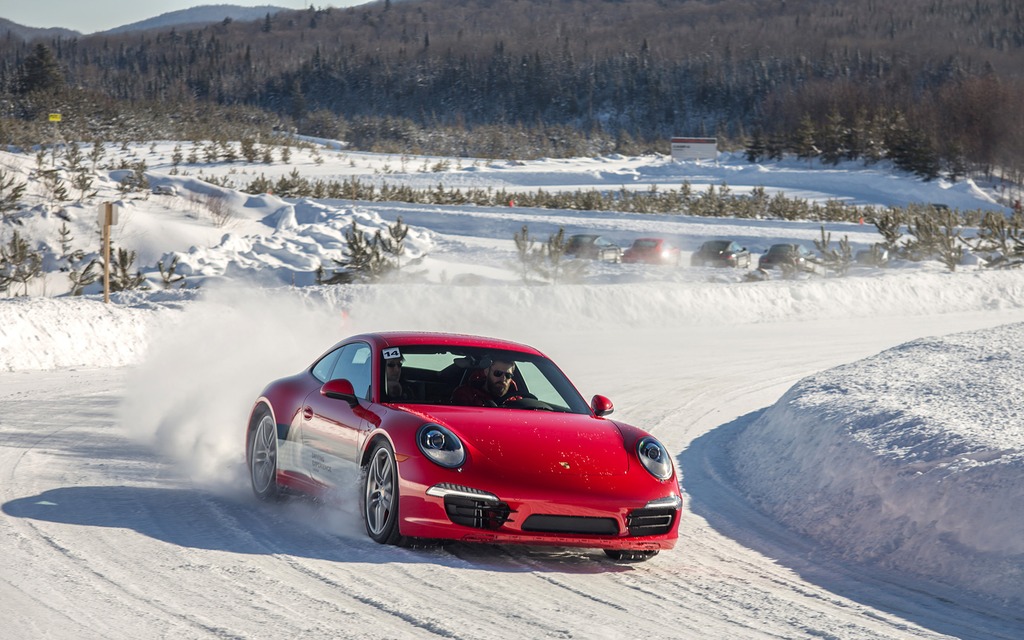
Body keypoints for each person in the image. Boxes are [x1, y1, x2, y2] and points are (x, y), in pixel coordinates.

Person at [450, 358, 523, 407]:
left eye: (508, 375)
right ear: (486, 372)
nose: (503, 378)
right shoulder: (467, 395)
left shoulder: (518, 401)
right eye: (498, 373)